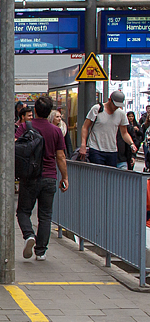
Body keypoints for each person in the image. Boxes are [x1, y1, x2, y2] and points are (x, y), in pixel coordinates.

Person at [18, 95, 69, 261]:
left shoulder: (25, 127)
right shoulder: (56, 131)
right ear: (50, 112)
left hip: (29, 177)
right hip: (49, 177)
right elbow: (60, 156)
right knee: (45, 215)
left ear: (35, 111)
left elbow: (16, 147)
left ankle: (29, 235)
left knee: (23, 211)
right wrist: (64, 177)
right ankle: (41, 251)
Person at [79, 90, 135, 167]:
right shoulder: (97, 109)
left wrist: (131, 144)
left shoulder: (121, 114)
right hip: (96, 148)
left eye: (118, 106)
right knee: (98, 175)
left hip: (112, 150)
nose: (116, 107)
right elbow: (85, 127)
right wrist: (83, 145)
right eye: (115, 105)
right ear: (109, 100)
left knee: (110, 176)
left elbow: (124, 133)